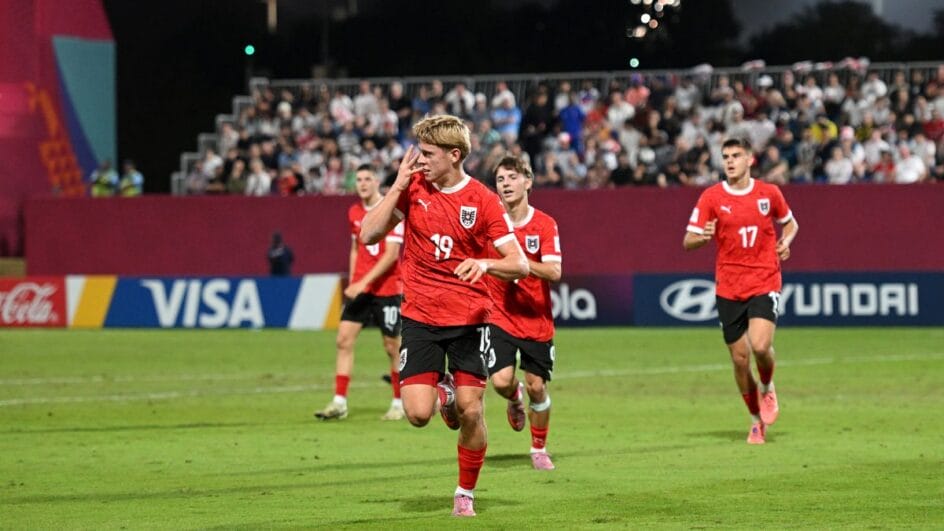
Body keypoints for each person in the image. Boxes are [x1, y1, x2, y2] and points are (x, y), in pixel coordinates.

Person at [359, 115, 529, 517]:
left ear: (454, 155)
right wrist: (398, 185)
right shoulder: (413, 186)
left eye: (429, 154)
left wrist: (485, 265)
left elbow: (519, 264)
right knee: (418, 414)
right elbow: (368, 234)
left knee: (472, 410)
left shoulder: (484, 201)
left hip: (471, 320)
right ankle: (445, 391)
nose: (420, 160)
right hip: (419, 317)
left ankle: (464, 493)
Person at [683, 137, 799, 445]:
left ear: (750, 159)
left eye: (736, 155)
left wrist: (785, 242)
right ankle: (755, 420)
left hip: (764, 279)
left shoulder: (768, 193)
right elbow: (688, 239)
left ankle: (768, 386)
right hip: (729, 286)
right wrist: (702, 237)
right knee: (739, 359)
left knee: (760, 347)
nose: (730, 161)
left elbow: (790, 224)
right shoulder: (711, 197)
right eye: (726, 156)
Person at [486, 155, 562, 471]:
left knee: (537, 386)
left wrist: (522, 265)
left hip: (535, 318)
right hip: (500, 315)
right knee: (502, 382)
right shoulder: (489, 222)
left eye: (512, 177)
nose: (506, 184)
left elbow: (554, 271)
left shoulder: (544, 224)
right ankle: (515, 400)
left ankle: (538, 448)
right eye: (501, 179)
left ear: (528, 182)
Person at [314, 164, 406, 422]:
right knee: (343, 340)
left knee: (392, 346)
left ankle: (398, 403)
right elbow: (355, 248)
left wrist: (362, 282)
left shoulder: (391, 210)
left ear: (377, 181)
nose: (363, 183)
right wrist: (354, 280)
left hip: (387, 289)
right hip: (361, 287)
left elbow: (390, 256)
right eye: (359, 180)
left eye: (368, 179)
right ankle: (339, 402)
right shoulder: (354, 211)